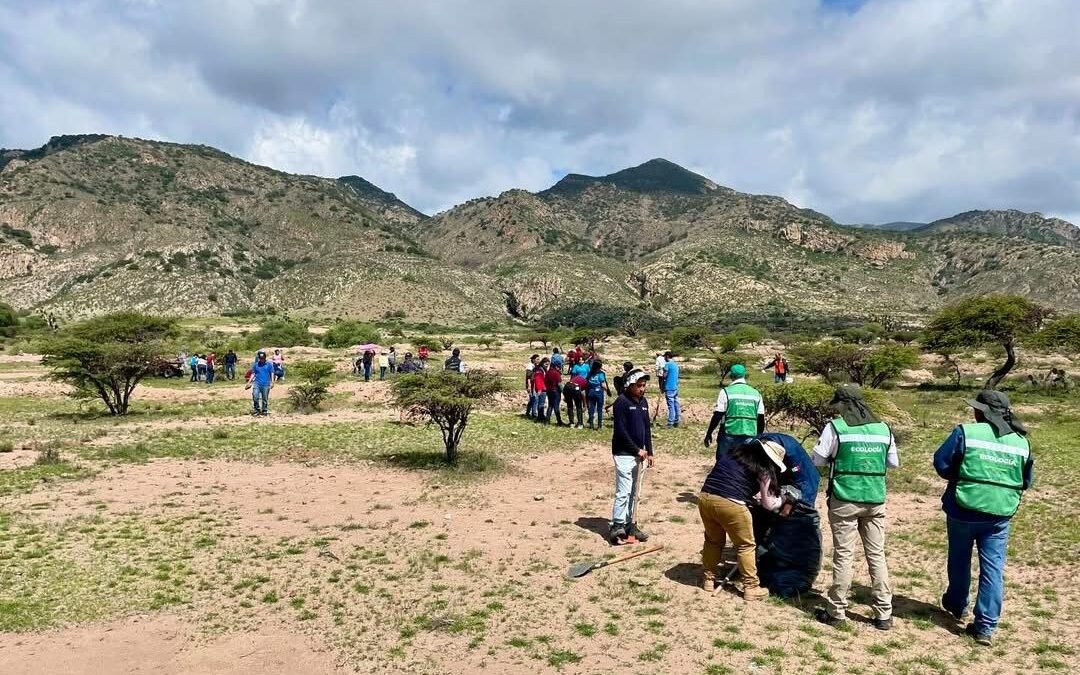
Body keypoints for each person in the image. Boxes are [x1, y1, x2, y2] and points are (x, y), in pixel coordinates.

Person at [934, 390, 1033, 647]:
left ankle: (957, 604)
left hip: (963, 508)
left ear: (982, 412)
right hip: (1000, 513)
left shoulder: (965, 432)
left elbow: (941, 463)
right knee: (993, 568)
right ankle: (986, 626)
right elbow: (1025, 481)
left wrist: (961, 477)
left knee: (959, 558)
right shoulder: (1021, 441)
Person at [812, 385, 899, 631]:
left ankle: (836, 610)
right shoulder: (884, 429)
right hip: (875, 499)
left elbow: (817, 459)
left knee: (844, 555)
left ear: (842, 406)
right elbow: (893, 462)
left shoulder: (835, 427)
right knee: (876, 554)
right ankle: (884, 613)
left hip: (844, 498)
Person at [698, 438, 786, 599]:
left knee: (713, 541)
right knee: (745, 545)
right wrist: (782, 500)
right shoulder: (764, 469)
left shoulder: (734, 454)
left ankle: (708, 580)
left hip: (705, 498)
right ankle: (751, 587)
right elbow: (768, 504)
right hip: (731, 504)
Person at [753, 433, 823, 598]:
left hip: (802, 481)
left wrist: (791, 504)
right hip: (780, 476)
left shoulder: (794, 456)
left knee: (798, 521)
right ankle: (761, 564)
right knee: (765, 520)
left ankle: (793, 570)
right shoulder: (753, 447)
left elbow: (805, 486)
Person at [610, 369, 654, 545]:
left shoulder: (643, 402)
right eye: (639, 385)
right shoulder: (621, 402)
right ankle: (617, 525)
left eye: (644, 386)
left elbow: (647, 428)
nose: (642, 389)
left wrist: (649, 451)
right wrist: (637, 450)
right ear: (630, 385)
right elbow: (620, 432)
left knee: (635, 492)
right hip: (623, 453)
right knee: (624, 490)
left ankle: (630, 525)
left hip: (639, 454)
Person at [704, 364, 765, 456]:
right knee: (746, 463)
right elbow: (761, 417)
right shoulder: (756, 393)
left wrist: (709, 433)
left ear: (731, 376)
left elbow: (718, 415)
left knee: (724, 462)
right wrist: (759, 437)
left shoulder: (725, 392)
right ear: (744, 375)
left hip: (729, 433)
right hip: (750, 433)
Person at [586, 360, 612, 430]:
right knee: (599, 409)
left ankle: (591, 425)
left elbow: (587, 382)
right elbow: (603, 384)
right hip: (599, 392)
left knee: (591, 408)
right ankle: (599, 426)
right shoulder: (601, 374)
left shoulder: (590, 373)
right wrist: (608, 391)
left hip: (591, 392)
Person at [249, 350, 275, 416]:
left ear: (265, 358)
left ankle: (264, 410)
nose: (262, 360)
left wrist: (272, 382)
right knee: (255, 396)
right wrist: (249, 381)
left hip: (266, 384)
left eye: (263, 358)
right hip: (257, 383)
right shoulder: (256, 365)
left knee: (265, 398)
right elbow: (253, 373)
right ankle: (257, 409)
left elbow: (272, 373)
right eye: (260, 358)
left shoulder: (269, 364)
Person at [662, 351, 681, 428]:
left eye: (664, 356)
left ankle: (670, 422)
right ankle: (677, 420)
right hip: (675, 387)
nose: (664, 358)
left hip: (669, 387)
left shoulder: (667, 365)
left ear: (667, 356)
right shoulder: (676, 365)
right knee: (676, 404)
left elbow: (664, 376)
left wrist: (662, 374)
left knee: (671, 405)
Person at [545, 356, 565, 426]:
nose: (559, 368)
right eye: (559, 366)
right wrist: (564, 393)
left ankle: (547, 421)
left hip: (549, 390)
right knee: (556, 406)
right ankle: (559, 421)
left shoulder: (548, 372)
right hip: (555, 391)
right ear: (556, 366)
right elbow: (559, 384)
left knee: (550, 405)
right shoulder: (556, 373)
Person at [525, 354, 539, 419]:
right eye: (537, 359)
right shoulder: (530, 366)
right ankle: (534, 414)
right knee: (535, 398)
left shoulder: (535, 366)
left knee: (532, 399)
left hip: (534, 384)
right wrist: (529, 386)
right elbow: (528, 377)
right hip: (531, 384)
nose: (538, 360)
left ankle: (528, 412)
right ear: (533, 359)